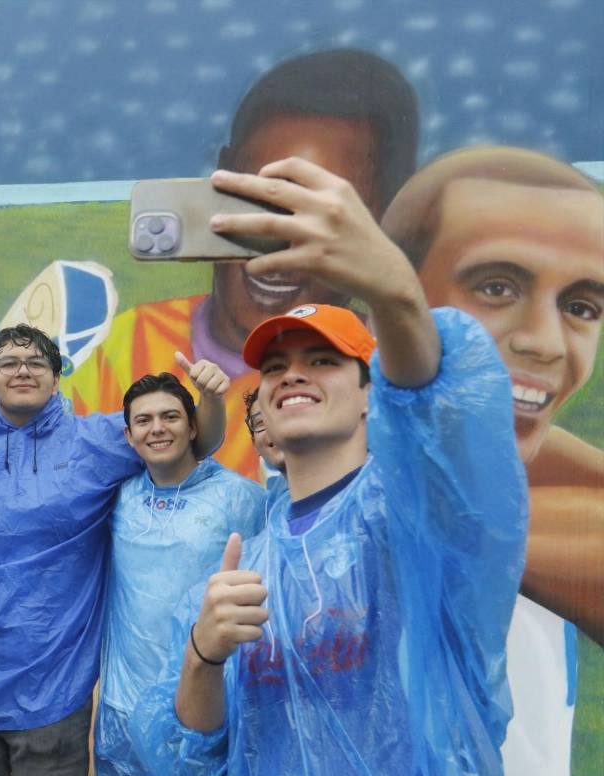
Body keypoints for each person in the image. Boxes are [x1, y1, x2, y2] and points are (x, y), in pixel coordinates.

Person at [129, 157, 527, 776]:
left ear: (374, 395)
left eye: (323, 360)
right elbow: (191, 766)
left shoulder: (416, 521)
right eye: (276, 364)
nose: (292, 374)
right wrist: (202, 657)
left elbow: (444, 419)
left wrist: (392, 287)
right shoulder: (247, 567)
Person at [62, 48, 419, 480]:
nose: (276, 240)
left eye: (317, 214)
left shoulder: (394, 367)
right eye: (259, 199)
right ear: (222, 177)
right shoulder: (123, 346)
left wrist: (397, 294)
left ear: (376, 223)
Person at [381, 145, 604, 776]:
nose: (545, 341)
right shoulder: (332, 487)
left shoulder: (563, 494)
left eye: (583, 306)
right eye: (496, 287)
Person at [0, 323, 227, 776]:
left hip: (55, 693)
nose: (23, 370)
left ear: (56, 376)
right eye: (8, 362)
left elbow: (192, 443)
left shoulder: (99, 441)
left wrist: (210, 399)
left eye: (37, 362)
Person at [95, 373, 264, 776]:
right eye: (144, 420)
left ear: (192, 428)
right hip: (123, 711)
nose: (157, 428)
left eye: (170, 416)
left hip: (205, 710)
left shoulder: (240, 498)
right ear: (129, 435)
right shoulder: (118, 498)